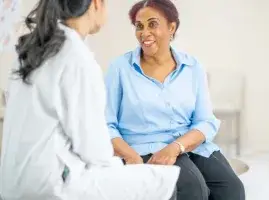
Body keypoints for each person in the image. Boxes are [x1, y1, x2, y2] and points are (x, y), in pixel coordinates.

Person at [0, 0, 180, 200]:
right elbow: (95, 151)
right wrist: (125, 162)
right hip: (51, 185)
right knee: (164, 183)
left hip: (12, 184)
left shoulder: (30, 50)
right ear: (96, 3)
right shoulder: (76, 56)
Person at [105, 0, 245, 200]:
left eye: (152, 24)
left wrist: (176, 147)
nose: (144, 33)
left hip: (188, 144)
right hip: (146, 147)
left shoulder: (192, 66)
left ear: (172, 27)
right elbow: (106, 124)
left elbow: (205, 120)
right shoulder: (119, 68)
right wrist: (129, 155)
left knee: (232, 189)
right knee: (193, 190)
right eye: (139, 26)